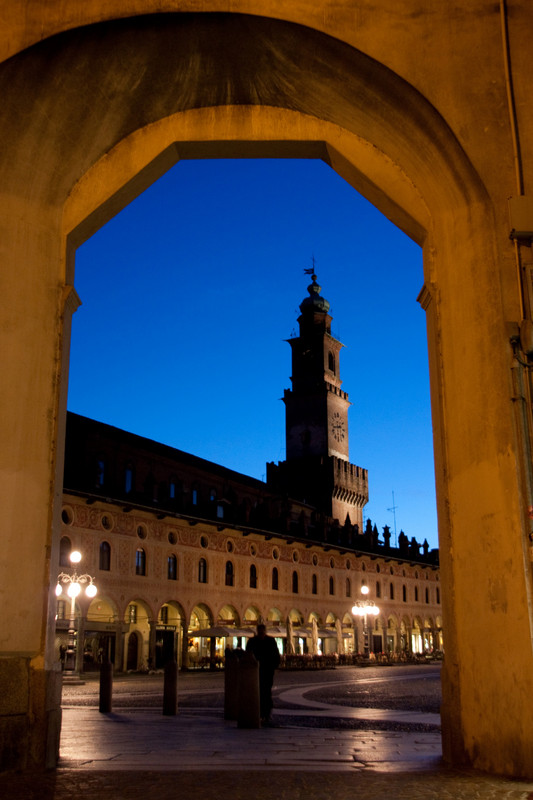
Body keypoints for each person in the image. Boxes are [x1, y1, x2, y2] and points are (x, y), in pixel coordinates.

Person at [246, 623, 280, 724]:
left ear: (264, 631)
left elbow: (276, 655)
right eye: (260, 631)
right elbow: (248, 655)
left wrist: (273, 666)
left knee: (266, 692)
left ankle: (266, 713)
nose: (261, 633)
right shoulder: (253, 641)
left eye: (262, 631)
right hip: (257, 672)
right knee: (259, 692)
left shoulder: (268, 641)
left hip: (266, 671)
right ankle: (260, 713)